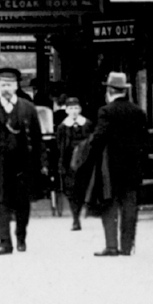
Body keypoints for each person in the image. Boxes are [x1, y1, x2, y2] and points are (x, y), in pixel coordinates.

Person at [0, 66, 46, 255]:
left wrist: (43, 162)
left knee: (23, 203)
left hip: (24, 163)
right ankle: (4, 242)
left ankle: (21, 237)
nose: (6, 88)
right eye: (3, 84)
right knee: (0, 203)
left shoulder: (28, 107)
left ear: (16, 86)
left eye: (10, 84)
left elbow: (38, 138)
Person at [83, 73, 148, 256]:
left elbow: (100, 137)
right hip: (133, 165)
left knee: (109, 204)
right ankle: (127, 246)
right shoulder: (138, 111)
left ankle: (111, 246)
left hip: (110, 167)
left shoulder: (105, 111)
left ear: (109, 91)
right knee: (129, 205)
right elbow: (145, 140)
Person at [54, 96, 91, 231]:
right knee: (70, 189)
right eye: (70, 108)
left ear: (80, 109)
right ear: (66, 110)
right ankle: (75, 217)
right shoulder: (62, 127)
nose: (74, 111)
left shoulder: (87, 124)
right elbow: (59, 147)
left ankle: (80, 212)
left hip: (84, 161)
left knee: (82, 188)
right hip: (69, 162)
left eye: (76, 108)